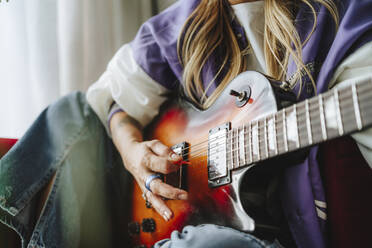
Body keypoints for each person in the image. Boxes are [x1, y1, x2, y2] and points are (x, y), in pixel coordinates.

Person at [0, 0, 371, 247]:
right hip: (161, 218)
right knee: (70, 113)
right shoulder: (185, 22)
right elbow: (110, 98)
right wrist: (133, 154)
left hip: (241, 237)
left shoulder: (345, 19)